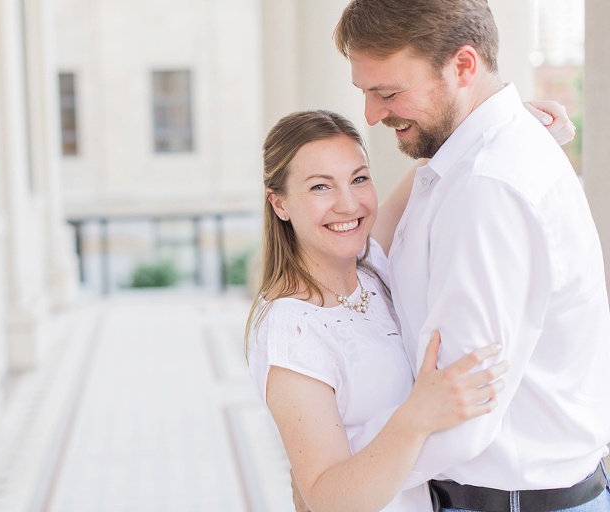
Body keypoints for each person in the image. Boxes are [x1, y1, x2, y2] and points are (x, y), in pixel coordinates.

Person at [331, 1, 610, 511]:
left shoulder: (487, 188)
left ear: (463, 66)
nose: (371, 114)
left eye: (388, 92)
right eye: (366, 92)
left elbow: (461, 414)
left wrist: (342, 476)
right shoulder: (471, 161)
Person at [246, 109, 508, 512]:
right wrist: (417, 416)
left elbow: (428, 170)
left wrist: (503, 122)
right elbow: (324, 498)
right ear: (279, 203)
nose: (348, 204)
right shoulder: (292, 326)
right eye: (320, 187)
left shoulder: (371, 264)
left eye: (359, 178)